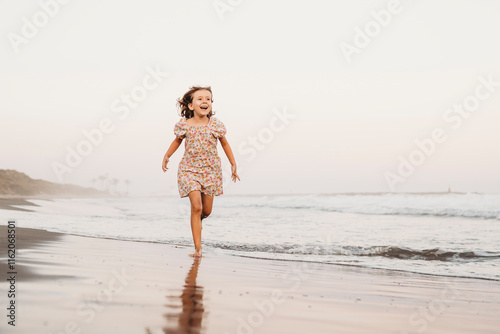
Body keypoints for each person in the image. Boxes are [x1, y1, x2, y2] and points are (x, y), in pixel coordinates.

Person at [162, 86, 240, 257]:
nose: (205, 101)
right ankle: (198, 249)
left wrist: (233, 164)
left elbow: (225, 144)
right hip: (188, 169)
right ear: (190, 106)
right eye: (200, 98)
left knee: (206, 211)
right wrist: (167, 156)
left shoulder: (215, 125)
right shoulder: (184, 125)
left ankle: (197, 221)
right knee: (196, 207)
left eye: (208, 99)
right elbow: (177, 141)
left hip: (211, 171)